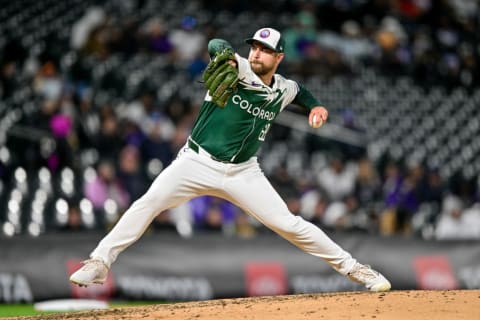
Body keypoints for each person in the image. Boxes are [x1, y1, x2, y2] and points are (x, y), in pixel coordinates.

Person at [69, 27, 391, 292]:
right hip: (196, 162)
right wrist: (227, 57)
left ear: (279, 57)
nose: (256, 53)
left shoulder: (282, 89)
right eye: (253, 47)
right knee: (148, 202)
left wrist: (316, 107)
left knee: (291, 225)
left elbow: (301, 91)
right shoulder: (237, 66)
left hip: (243, 173)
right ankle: (99, 262)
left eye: (264, 50)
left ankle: (357, 270)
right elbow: (216, 43)